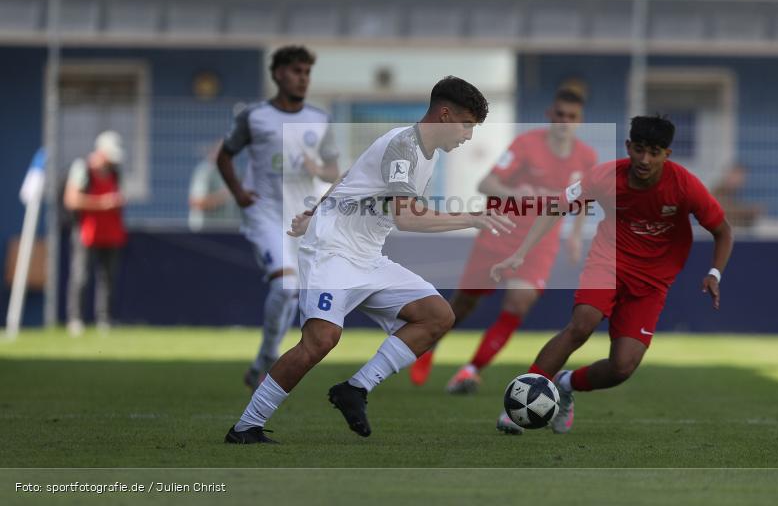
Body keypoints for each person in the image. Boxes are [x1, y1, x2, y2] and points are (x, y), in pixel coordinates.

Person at [224, 76, 514, 443]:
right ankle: (246, 427)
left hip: (367, 256)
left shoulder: (422, 154)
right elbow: (405, 217)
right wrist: (470, 219)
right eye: (467, 125)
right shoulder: (404, 146)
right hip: (332, 250)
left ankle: (355, 389)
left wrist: (313, 210)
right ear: (444, 115)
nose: (468, 136)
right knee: (321, 340)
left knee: (437, 316)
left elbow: (351, 176)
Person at [490, 115, 733, 434]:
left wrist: (714, 272)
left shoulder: (685, 186)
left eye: (655, 152)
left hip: (651, 282)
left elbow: (723, 231)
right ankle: (519, 405)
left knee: (622, 367)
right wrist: (521, 252)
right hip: (609, 262)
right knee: (582, 324)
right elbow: (556, 207)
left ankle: (565, 385)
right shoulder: (604, 177)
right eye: (640, 149)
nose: (645, 159)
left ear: (666, 155)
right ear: (629, 146)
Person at [409, 88, 597, 393]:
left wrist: (575, 236)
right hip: (500, 233)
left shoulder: (586, 157)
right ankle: (430, 346)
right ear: (551, 115)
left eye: (571, 117)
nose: (564, 122)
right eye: (560, 115)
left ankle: (470, 371)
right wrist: (514, 193)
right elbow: (485, 183)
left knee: (518, 303)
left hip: (540, 243)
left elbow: (583, 198)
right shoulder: (526, 145)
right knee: (464, 303)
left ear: (580, 121)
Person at [217, 45, 341, 391]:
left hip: (301, 217)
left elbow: (333, 169)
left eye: (306, 72)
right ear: (277, 74)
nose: (302, 78)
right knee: (284, 285)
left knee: (295, 291)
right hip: (265, 212)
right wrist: (240, 193)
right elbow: (225, 157)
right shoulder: (254, 117)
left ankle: (260, 362)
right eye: (296, 71)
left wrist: (319, 168)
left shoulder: (319, 118)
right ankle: (269, 359)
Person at [63, 131, 127, 337]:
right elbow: (71, 199)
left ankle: (104, 319)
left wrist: (116, 202)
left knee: (107, 276)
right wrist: (101, 203)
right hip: (86, 230)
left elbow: (120, 195)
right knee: (81, 274)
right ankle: (75, 319)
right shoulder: (82, 168)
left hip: (110, 231)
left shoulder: (116, 172)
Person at [188, 141, 239, 232]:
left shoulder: (234, 173)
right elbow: (196, 202)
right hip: (206, 230)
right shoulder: (204, 172)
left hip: (230, 231)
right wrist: (222, 196)